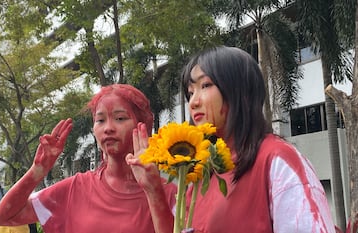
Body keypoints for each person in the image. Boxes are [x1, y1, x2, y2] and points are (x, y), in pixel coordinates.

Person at [128, 46, 336, 233]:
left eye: (206, 85)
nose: (193, 102)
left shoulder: (277, 159)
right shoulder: (202, 172)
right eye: (190, 93)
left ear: (240, 91)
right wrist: (152, 188)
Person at [0, 84, 177, 233]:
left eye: (120, 118)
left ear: (143, 126)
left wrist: (154, 193)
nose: (108, 128)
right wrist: (37, 170)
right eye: (100, 120)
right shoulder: (74, 189)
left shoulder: (171, 194)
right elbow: (4, 217)